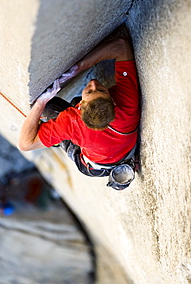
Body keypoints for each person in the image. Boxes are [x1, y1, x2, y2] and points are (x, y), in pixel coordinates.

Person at [18, 33, 140, 190]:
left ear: (80, 108)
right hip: (122, 154)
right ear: (113, 101)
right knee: (69, 105)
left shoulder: (70, 122)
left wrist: (41, 101)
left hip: (91, 166)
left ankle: (55, 139)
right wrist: (80, 66)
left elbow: (25, 144)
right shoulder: (127, 103)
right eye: (98, 90)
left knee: (49, 107)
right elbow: (121, 45)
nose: (93, 83)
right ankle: (52, 135)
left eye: (91, 91)